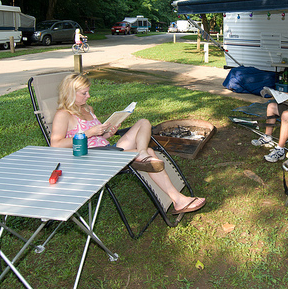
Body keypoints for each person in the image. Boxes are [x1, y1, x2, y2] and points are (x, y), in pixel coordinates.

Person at [50, 73, 206, 215]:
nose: (88, 96)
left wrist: (107, 132)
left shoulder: (87, 109)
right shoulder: (63, 114)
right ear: (71, 93)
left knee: (143, 123)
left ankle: (142, 153)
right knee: (151, 155)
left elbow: (99, 137)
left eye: (88, 91)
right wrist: (89, 133)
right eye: (84, 93)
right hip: (91, 157)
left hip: (107, 149)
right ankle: (178, 199)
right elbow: (55, 144)